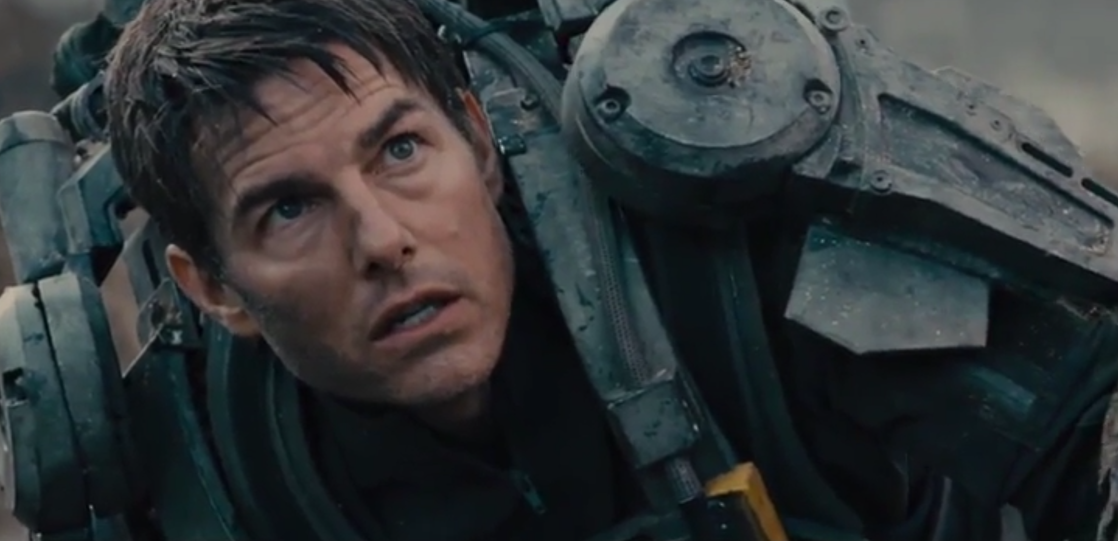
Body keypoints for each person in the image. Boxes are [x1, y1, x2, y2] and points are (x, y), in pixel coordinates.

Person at [101, 0, 1118, 540]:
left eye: (400, 150)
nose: (381, 240)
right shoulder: (239, 486)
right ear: (215, 288)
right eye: (289, 208)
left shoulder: (722, 262)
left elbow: (1089, 417)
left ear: (477, 141)